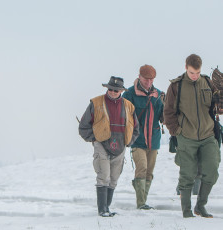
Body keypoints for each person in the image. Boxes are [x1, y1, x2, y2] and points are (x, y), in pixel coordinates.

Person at [164, 54, 222, 218]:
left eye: (197, 73)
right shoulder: (176, 86)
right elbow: (168, 112)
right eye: (191, 73)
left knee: (211, 171)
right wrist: (177, 131)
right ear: (186, 68)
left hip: (208, 135)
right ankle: (187, 210)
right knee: (187, 174)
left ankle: (200, 206)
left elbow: (216, 107)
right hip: (186, 137)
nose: (194, 76)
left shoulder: (207, 82)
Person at [79, 76, 139, 217]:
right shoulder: (96, 103)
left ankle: (107, 208)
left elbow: (136, 128)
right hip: (102, 144)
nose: (113, 92)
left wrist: (129, 141)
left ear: (121, 91)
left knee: (114, 178)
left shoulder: (129, 106)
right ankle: (102, 210)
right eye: (111, 89)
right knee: (103, 175)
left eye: (116, 90)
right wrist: (94, 140)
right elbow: (83, 126)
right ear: (107, 89)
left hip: (120, 145)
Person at [123, 65, 164, 210]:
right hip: (137, 139)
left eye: (151, 79)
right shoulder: (129, 94)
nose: (148, 82)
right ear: (139, 76)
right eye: (146, 79)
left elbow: (163, 116)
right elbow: (124, 116)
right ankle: (140, 203)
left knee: (149, 171)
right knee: (142, 167)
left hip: (154, 139)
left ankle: (144, 201)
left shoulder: (158, 95)